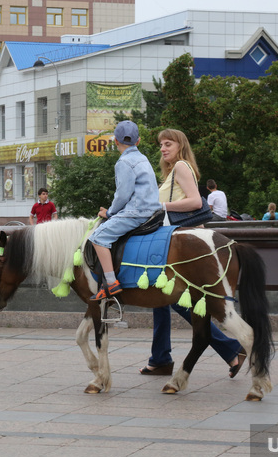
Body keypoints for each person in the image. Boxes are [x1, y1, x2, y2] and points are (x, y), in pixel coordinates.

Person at [141, 128, 246, 378]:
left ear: (180, 146)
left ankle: (231, 348)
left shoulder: (181, 167)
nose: (163, 148)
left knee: (174, 300)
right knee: (160, 299)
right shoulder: (172, 171)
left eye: (168, 144)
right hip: (174, 243)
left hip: (182, 247)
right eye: (161, 145)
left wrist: (160, 205)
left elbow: (196, 203)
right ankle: (160, 358)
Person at [89, 121, 161, 301]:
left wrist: (110, 212)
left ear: (115, 141)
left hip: (136, 212)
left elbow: (122, 195)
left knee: (98, 237)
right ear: (138, 141)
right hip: (153, 210)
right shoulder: (143, 158)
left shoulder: (124, 162)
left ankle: (111, 283)